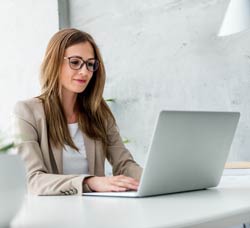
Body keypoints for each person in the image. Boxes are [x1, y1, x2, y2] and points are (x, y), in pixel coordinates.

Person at [13, 28, 142, 196]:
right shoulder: (27, 112)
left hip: (95, 210)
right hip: (51, 215)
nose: (84, 72)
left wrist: (154, 178)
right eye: (75, 62)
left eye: (90, 64)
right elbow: (33, 180)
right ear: (54, 62)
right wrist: (89, 182)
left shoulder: (98, 112)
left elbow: (124, 164)